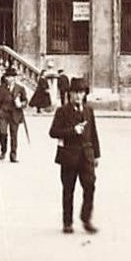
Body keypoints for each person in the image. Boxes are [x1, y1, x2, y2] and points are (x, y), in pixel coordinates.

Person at [49, 79, 100, 234]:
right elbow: (53, 132)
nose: (78, 96)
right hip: (69, 157)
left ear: (84, 94)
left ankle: (86, 219)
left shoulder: (88, 110)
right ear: (70, 94)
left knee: (90, 186)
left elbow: (93, 133)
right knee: (68, 190)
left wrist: (96, 154)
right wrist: (72, 130)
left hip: (86, 156)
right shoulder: (62, 111)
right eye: (75, 93)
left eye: (81, 93)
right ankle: (67, 222)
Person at [0, 69, 28, 162]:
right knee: (2, 133)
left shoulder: (20, 88)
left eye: (11, 77)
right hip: (3, 114)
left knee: (14, 135)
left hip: (15, 114)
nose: (9, 79)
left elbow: (25, 101)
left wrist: (21, 104)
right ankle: (3, 150)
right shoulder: (0, 88)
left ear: (15, 78)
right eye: (8, 77)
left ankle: (13, 155)